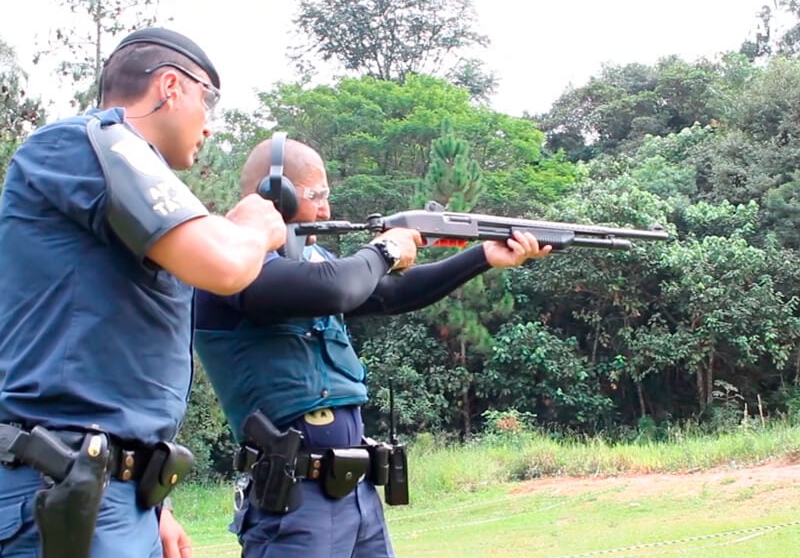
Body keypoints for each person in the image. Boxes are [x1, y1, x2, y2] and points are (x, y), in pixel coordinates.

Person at [0, 28, 287, 558]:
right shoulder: (83, 143)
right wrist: (254, 227)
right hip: (60, 490)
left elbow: (110, 368)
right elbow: (225, 266)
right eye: (209, 98)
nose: (210, 121)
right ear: (171, 86)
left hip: (111, 493)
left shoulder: (127, 177)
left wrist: (154, 503)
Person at [193, 136, 552, 558]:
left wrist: (482, 257)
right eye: (317, 196)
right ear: (277, 194)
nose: (326, 209)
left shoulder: (310, 262)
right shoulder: (231, 263)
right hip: (294, 501)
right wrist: (385, 248)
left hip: (356, 492)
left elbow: (389, 294)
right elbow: (341, 286)